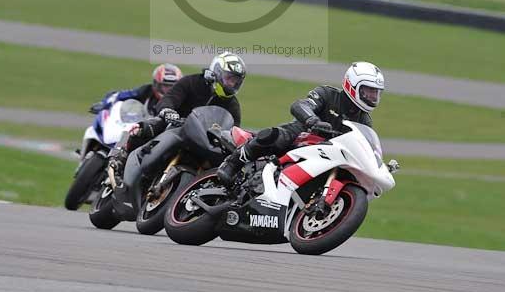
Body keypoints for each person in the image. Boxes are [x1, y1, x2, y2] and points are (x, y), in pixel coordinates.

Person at [217, 61, 385, 186]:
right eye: (368, 91)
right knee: (274, 136)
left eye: (376, 93)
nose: (372, 97)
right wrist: (313, 120)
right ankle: (232, 163)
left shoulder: (365, 121)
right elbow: (300, 105)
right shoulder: (327, 94)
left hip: (328, 154)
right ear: (352, 84)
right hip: (303, 134)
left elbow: (365, 146)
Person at [108, 51, 246, 184]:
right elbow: (170, 98)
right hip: (175, 125)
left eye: (236, 81)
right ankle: (120, 160)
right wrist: (168, 111)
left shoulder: (232, 105)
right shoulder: (192, 82)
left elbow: (233, 131)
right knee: (146, 127)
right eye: (229, 78)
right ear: (217, 72)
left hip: (204, 141)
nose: (232, 84)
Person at [90, 62, 183, 117]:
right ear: (156, 84)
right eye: (165, 86)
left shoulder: (183, 98)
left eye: (173, 87)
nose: (169, 90)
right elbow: (118, 95)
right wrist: (104, 104)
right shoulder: (146, 91)